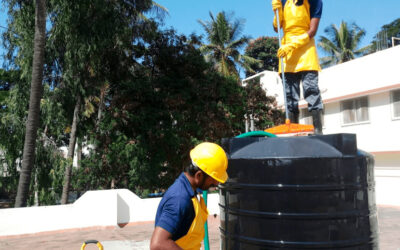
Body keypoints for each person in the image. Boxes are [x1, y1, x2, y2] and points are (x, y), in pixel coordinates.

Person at [150, 142, 228, 250]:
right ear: (199, 176)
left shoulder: (189, 191)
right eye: (214, 179)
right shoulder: (179, 199)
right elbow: (158, 244)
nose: (216, 183)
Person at [272, 0, 324, 134]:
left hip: (306, 49)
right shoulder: (283, 1)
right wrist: (276, 12)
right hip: (287, 53)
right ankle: (294, 132)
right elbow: (277, 27)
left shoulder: (315, 1)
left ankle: (318, 131)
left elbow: (312, 31)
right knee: (290, 96)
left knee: (311, 90)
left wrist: (293, 44)